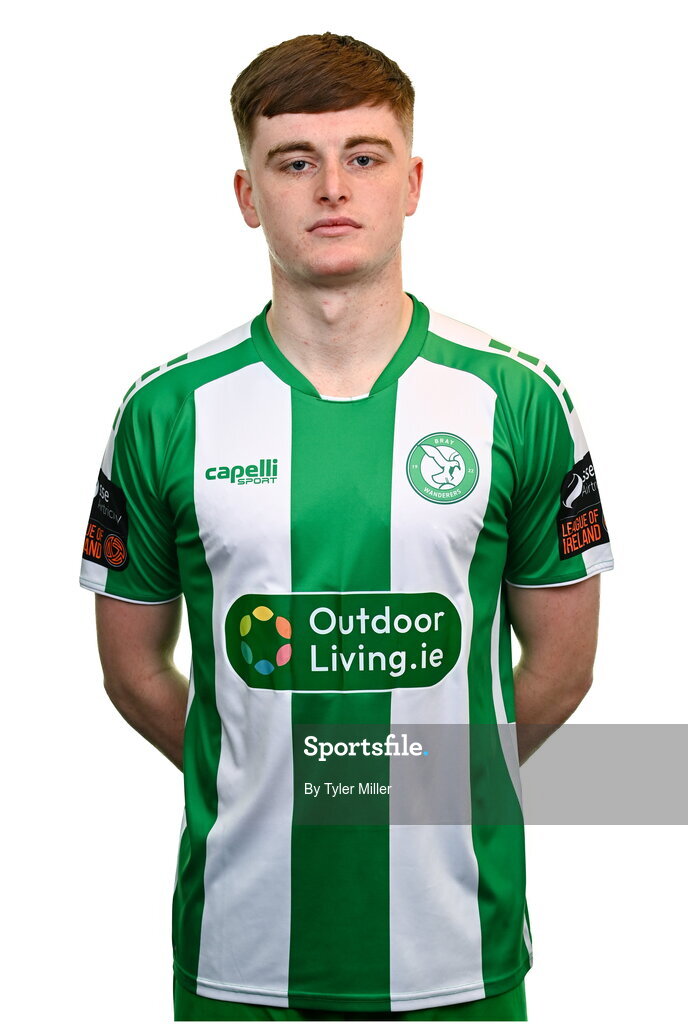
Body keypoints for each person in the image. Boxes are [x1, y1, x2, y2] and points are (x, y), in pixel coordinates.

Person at [80, 32, 613, 1022]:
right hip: (240, 955)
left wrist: (401, 780)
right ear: (247, 195)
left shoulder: (517, 399)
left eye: (363, 156)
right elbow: (134, 671)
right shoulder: (165, 411)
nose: (332, 186)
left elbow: (562, 668)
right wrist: (263, 764)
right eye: (294, 161)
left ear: (411, 183)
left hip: (458, 952)